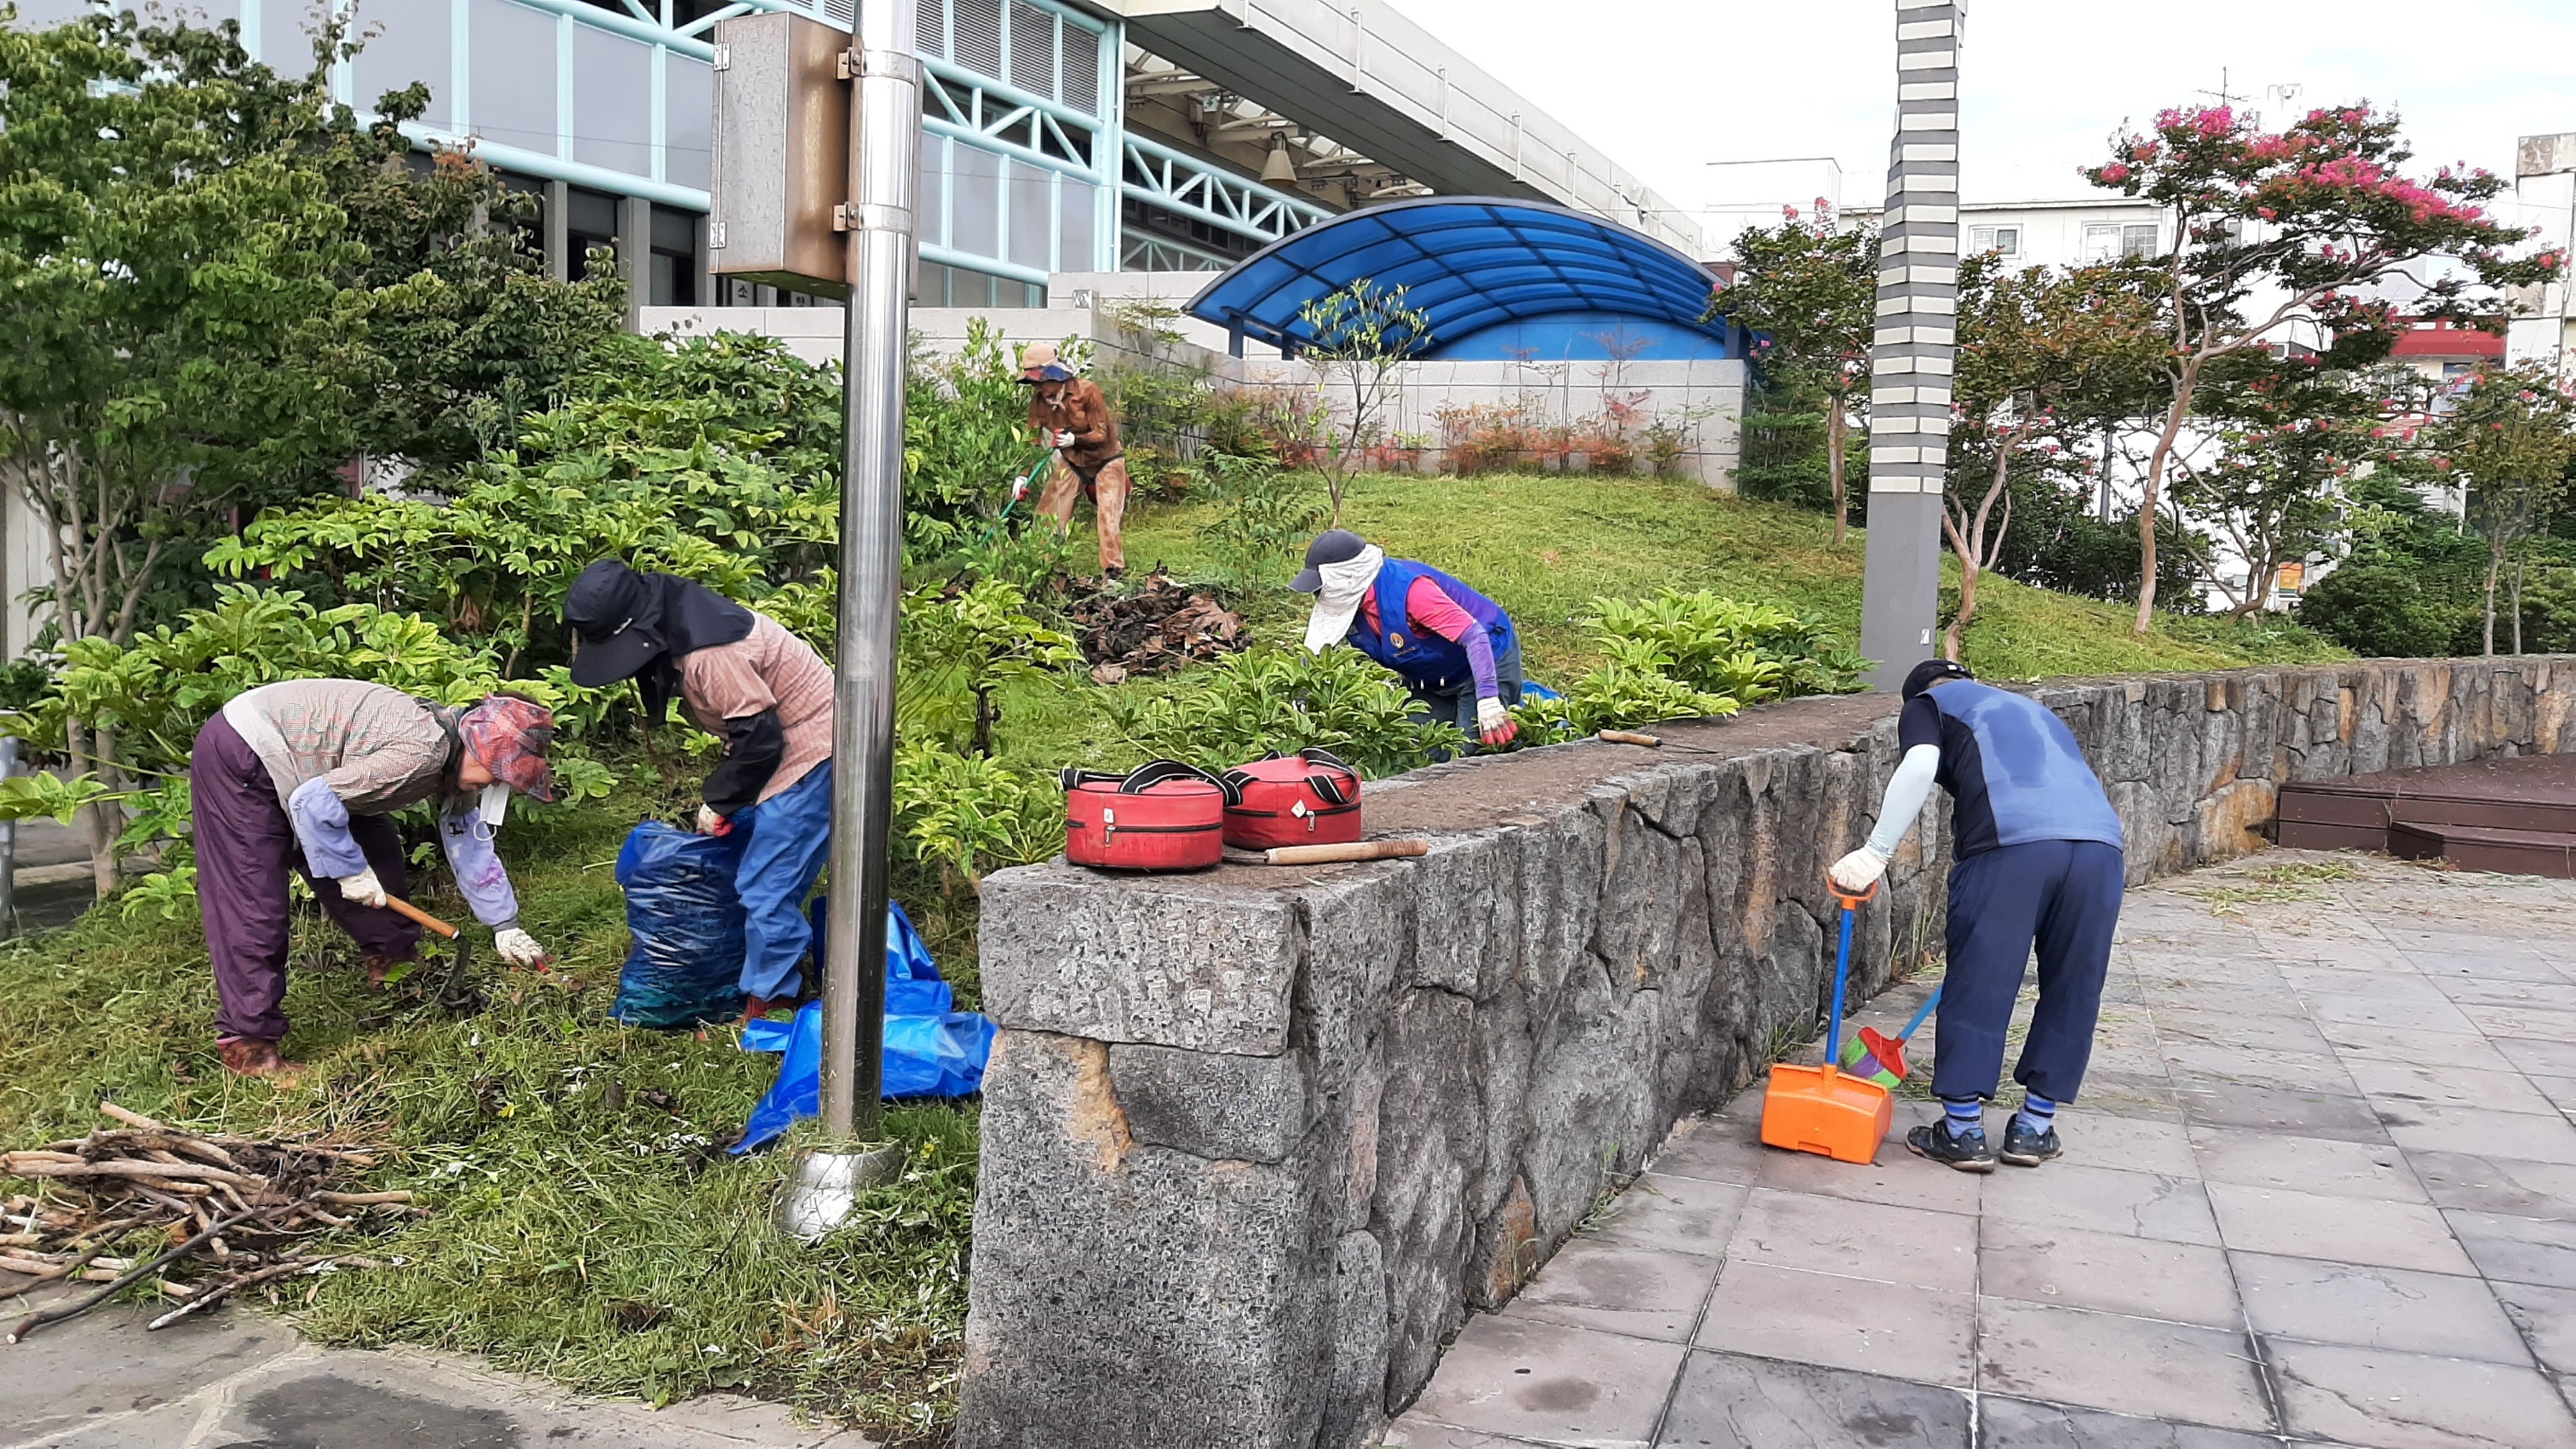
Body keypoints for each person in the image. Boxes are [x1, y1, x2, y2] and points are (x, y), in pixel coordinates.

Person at [1830, 658, 2127, 1172]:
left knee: (1981, 982)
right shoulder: (2032, 710)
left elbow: (1920, 765)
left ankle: (1963, 1131)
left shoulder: (1928, 704)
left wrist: (1875, 852)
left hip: (2011, 848)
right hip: (2101, 850)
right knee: (2075, 983)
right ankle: (2035, 1128)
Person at [192, 682, 560, 1079]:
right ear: (476, 742)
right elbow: (311, 803)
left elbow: (467, 841)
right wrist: (349, 872)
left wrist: (506, 926)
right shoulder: (421, 752)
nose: (497, 783)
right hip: (245, 749)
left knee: (379, 859)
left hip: (316, 773)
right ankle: (250, 1047)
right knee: (254, 903)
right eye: (498, 770)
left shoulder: (458, 760)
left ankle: (397, 969)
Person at [562, 560, 833, 1027]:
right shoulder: (676, 621)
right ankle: (756, 969)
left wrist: (721, 799)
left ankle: (774, 1002)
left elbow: (759, 738)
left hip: (814, 751)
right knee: (755, 869)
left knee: (765, 888)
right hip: (779, 746)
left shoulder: (710, 653)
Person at [1291, 528, 1521, 751]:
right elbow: (1318, 647)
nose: (1319, 594)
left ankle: (1536, 730)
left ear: (1348, 578)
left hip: (1485, 659)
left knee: (1472, 750)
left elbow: (1475, 637)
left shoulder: (1413, 593)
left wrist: (1488, 698)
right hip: (1433, 677)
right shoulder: (1346, 602)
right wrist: (1300, 698)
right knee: (1415, 744)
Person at [1019, 341, 1129, 578]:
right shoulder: (1039, 403)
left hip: (1106, 459)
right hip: (1072, 462)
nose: (1037, 386)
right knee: (1048, 514)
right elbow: (1031, 442)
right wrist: (1022, 476)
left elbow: (1101, 433)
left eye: (1039, 380)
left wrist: (1074, 439)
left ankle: (1113, 574)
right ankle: (1042, 569)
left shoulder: (1087, 391)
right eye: (1033, 381)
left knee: (1107, 515)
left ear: (1053, 375)